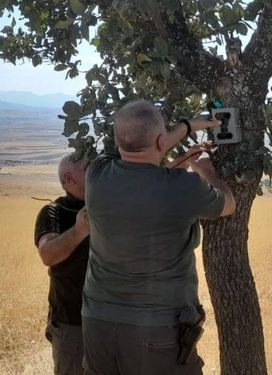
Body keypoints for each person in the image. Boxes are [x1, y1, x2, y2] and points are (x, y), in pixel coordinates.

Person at [82, 100, 235, 375]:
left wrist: (188, 128)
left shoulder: (97, 174)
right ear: (161, 140)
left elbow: (143, 159)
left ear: (118, 141)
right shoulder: (184, 187)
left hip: (97, 323)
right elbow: (228, 204)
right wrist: (205, 170)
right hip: (157, 329)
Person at [34, 153, 90, 375]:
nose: (96, 171)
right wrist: (79, 230)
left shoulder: (107, 205)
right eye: (88, 167)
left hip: (112, 317)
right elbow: (47, 254)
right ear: (69, 178)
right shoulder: (53, 212)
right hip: (72, 321)